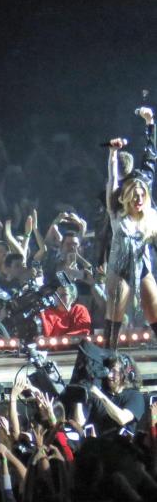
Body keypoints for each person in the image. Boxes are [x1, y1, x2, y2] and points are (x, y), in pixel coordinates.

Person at [103, 130, 157, 349]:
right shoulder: (117, 213)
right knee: (115, 315)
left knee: (153, 310)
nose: (139, 200)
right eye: (135, 196)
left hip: (142, 267)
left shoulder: (149, 219)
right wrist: (113, 156)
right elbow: (112, 180)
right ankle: (109, 355)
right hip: (120, 269)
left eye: (142, 196)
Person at [84, 353, 145, 436]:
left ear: (126, 374)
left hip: (122, 446)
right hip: (99, 445)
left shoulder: (135, 396)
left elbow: (122, 418)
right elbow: (81, 421)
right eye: (109, 370)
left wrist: (100, 396)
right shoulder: (101, 393)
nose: (109, 375)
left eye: (114, 371)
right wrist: (78, 399)